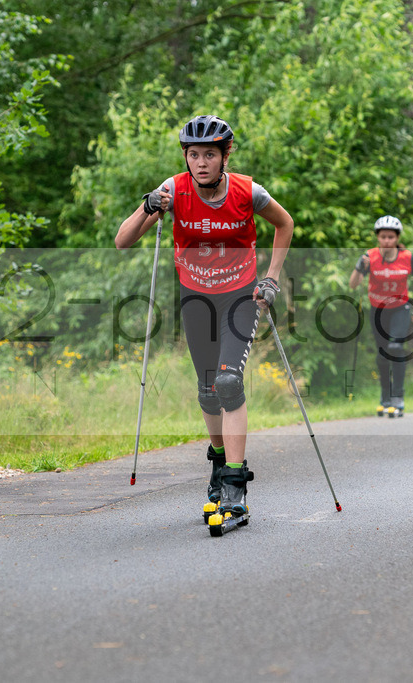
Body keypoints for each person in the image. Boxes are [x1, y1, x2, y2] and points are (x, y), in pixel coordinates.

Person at [115, 115, 294, 517]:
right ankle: (218, 460)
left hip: (240, 296)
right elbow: (122, 241)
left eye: (209, 155)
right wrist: (147, 207)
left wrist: (271, 278)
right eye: (193, 154)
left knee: (228, 382)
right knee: (209, 390)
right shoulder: (172, 191)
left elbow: (285, 224)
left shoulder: (248, 192)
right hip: (196, 298)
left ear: (225, 155)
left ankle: (234, 482)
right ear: (186, 156)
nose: (201, 162)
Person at [348, 215, 413, 418]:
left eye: (391, 237)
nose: (387, 241)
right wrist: (358, 267)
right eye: (383, 237)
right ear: (378, 237)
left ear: (397, 238)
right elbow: (353, 285)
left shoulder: (407, 257)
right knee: (382, 353)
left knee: (396, 348)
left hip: (400, 309)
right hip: (378, 310)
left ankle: (398, 397)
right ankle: (385, 396)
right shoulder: (370, 257)